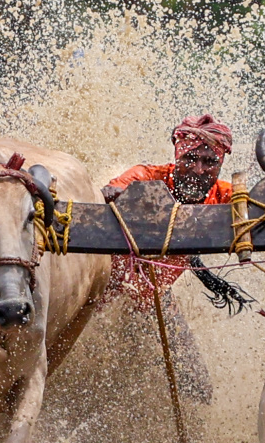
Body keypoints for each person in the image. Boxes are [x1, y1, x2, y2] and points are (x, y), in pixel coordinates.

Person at [102, 115, 239, 404]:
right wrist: (121, 197)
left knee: (197, 388)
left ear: (219, 165)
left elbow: (257, 213)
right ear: (177, 155)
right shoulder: (146, 177)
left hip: (155, 299)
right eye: (191, 159)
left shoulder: (227, 196)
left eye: (209, 162)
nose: (199, 170)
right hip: (107, 295)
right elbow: (113, 190)